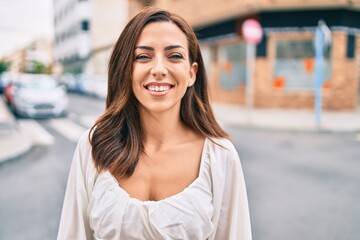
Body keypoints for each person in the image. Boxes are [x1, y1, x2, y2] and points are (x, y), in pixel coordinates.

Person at [57, 7, 251, 240]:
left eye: (175, 56)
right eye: (143, 56)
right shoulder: (93, 147)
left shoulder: (220, 155)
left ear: (192, 74)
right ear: (126, 71)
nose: (159, 69)